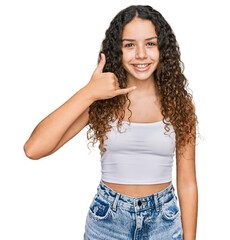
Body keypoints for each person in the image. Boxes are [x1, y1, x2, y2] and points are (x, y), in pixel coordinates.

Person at [24, 5, 199, 240]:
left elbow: (187, 182)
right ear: (117, 50)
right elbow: (34, 149)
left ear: (163, 49)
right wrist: (88, 92)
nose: (140, 54)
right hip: (108, 223)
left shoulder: (179, 104)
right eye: (129, 45)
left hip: (164, 224)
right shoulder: (101, 100)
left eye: (150, 43)